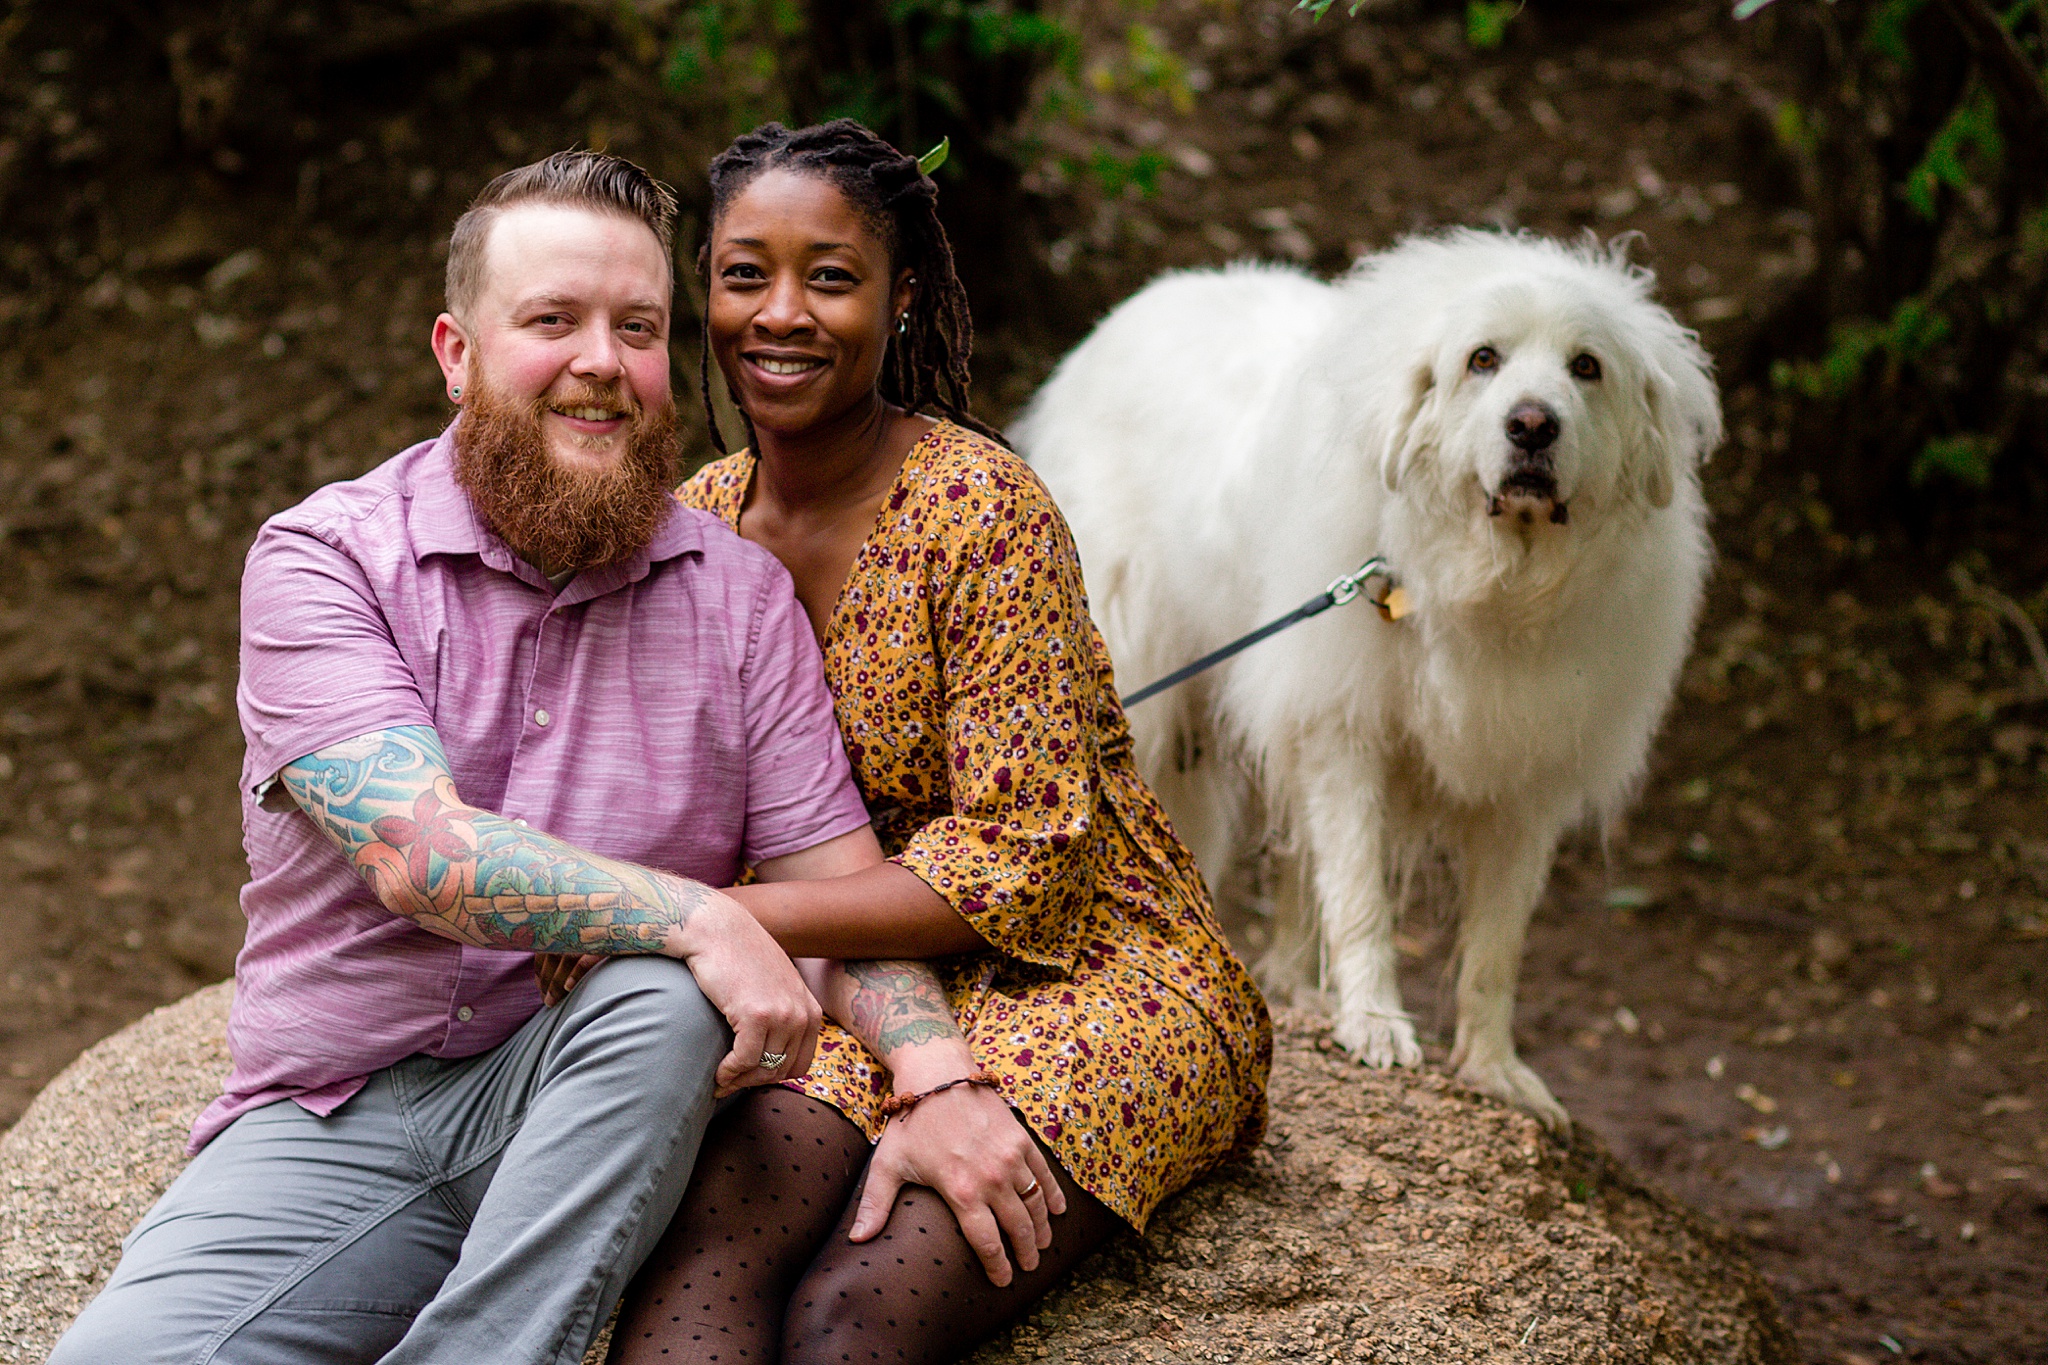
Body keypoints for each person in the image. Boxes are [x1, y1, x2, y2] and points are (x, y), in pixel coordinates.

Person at [48, 151, 885, 1365]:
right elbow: (419, 859)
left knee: (654, 992)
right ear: (456, 354)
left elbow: (837, 901)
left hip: (604, 1109)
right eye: (553, 319)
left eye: (638, 328)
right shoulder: (325, 558)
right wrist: (701, 913)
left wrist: (945, 1079)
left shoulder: (742, 600)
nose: (601, 361)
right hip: (334, 1127)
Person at [601, 119, 1272, 1365]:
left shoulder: (978, 507)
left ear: (901, 299)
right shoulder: (687, 521)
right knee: (714, 1249)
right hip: (850, 985)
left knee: (853, 1314)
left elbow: (1027, 862)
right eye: (745, 273)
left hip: (1085, 968)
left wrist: (715, 913)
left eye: (832, 277)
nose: (780, 313)